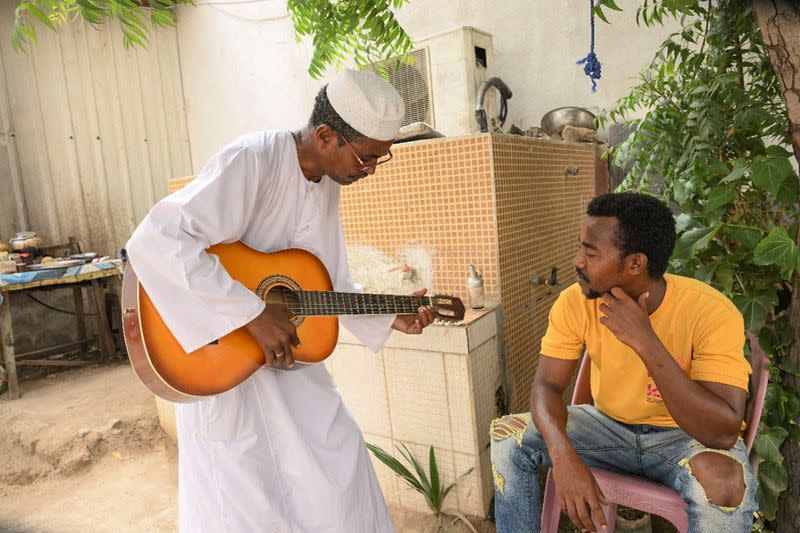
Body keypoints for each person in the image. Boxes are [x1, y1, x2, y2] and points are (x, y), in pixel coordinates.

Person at [126, 69, 437, 533]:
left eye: (380, 159)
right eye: (367, 158)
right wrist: (250, 313)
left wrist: (391, 316)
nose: (371, 170)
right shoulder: (253, 159)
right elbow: (159, 237)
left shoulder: (328, 181)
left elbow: (325, 283)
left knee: (339, 468)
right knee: (248, 505)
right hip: (223, 363)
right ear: (327, 135)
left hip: (289, 366)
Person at [489, 192, 758, 533]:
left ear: (635, 264)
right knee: (507, 438)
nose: (577, 262)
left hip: (684, 440)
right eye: (580, 248)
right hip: (607, 429)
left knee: (725, 483)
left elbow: (721, 432)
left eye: (590, 253)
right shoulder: (575, 302)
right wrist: (562, 455)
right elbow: (547, 386)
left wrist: (645, 340)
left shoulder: (710, 312)